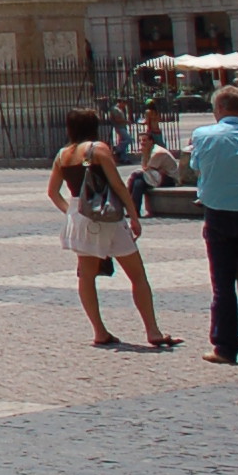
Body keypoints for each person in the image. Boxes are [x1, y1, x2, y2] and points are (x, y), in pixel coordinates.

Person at [44, 104, 175, 350]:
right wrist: (133, 215)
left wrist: (71, 211)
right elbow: (117, 184)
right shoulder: (97, 149)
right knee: (137, 274)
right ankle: (152, 330)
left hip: (80, 216)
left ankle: (99, 331)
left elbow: (52, 192)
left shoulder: (62, 155)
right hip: (107, 216)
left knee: (86, 276)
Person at [192, 85, 238, 364]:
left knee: (222, 284)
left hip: (217, 214)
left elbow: (196, 166)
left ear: (219, 108)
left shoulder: (202, 135)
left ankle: (224, 347)